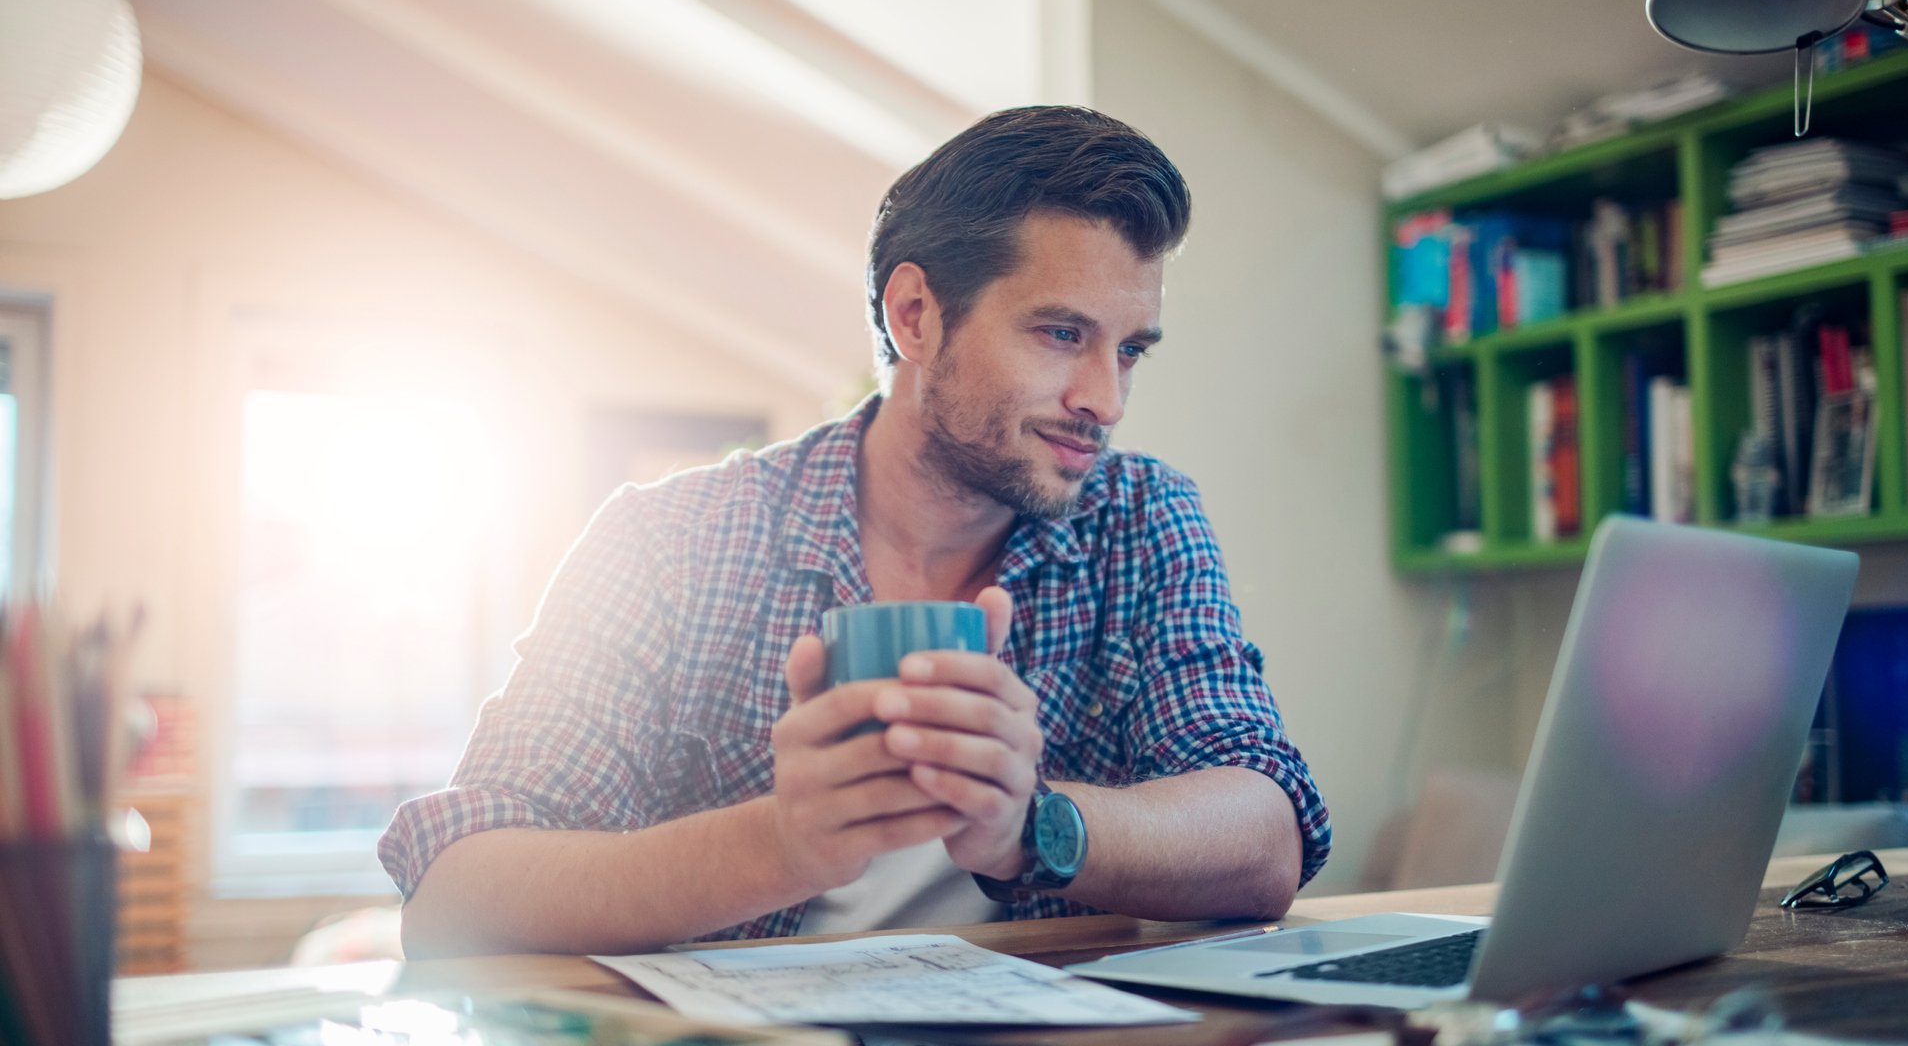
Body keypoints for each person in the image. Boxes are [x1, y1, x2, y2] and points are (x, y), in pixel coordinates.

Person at [384, 106, 1329, 958]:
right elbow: (457, 899)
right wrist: (782, 844)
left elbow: (1264, 836)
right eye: (1059, 334)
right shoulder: (667, 541)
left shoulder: (1140, 519)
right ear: (915, 315)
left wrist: (1032, 829)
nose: (1105, 398)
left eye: (1128, 350)